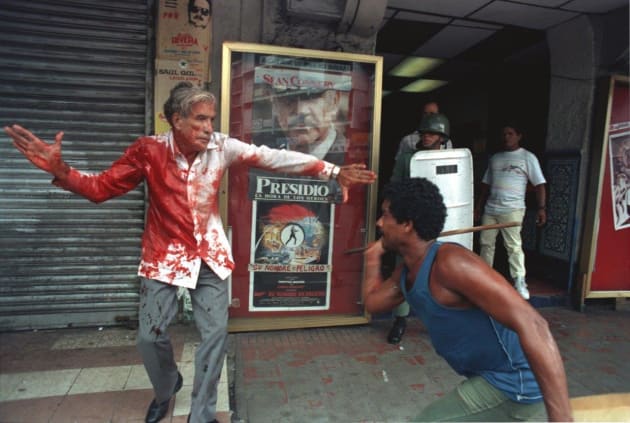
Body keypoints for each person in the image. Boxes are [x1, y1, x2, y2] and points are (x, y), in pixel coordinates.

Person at [4, 82, 376, 423]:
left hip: (210, 255)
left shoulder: (221, 147)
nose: (207, 127)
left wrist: (331, 171)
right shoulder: (148, 151)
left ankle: (202, 415)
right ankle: (167, 388)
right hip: (163, 256)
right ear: (175, 120)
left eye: (211, 119)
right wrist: (63, 170)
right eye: (199, 119)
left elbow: (272, 156)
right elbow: (102, 188)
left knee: (215, 336)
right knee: (149, 338)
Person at [362, 178, 573, 422]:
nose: (379, 223)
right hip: (486, 376)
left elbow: (535, 325)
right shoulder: (406, 272)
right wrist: (372, 259)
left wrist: (562, 418)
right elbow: (373, 303)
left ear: (407, 224)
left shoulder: (452, 263)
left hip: (513, 383)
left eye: (385, 215)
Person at [386, 112, 452, 344]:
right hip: (410, 225)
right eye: (424, 132)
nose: (426, 136)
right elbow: (394, 189)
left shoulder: (452, 159)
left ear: (442, 137)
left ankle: (439, 321)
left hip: (440, 225)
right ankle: (400, 319)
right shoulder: (407, 158)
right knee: (405, 273)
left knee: (439, 275)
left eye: (432, 133)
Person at [475, 123, 547, 300]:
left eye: (510, 133)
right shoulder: (495, 158)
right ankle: (485, 280)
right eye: (504, 134)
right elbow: (485, 186)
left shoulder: (527, 157)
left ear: (519, 136)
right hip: (491, 209)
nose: (507, 137)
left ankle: (519, 281)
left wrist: (542, 208)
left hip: (513, 209)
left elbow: (540, 185)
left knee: (513, 246)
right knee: (486, 244)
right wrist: (478, 207)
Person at [268, 83, 348, 164]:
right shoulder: (266, 155)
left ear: (334, 101)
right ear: (275, 105)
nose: (300, 111)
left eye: (312, 97)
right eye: (289, 100)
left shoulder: (352, 160)